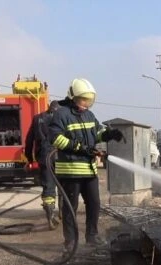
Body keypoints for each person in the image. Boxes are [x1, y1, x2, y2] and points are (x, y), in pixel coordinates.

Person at [48, 78, 123, 250]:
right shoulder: (62, 114)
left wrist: (109, 134)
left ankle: (92, 236)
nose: (86, 103)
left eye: (89, 100)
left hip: (89, 171)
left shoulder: (89, 115)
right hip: (70, 171)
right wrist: (80, 148)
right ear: (73, 97)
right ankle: (71, 241)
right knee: (70, 208)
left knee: (94, 204)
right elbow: (56, 138)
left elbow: (97, 133)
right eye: (83, 99)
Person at [24, 100, 61, 229]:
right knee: (64, 185)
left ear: (48, 107)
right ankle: (62, 212)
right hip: (61, 156)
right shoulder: (63, 118)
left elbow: (29, 140)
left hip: (44, 157)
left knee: (48, 187)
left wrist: (29, 159)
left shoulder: (37, 119)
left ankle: (50, 216)